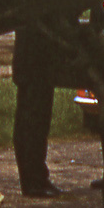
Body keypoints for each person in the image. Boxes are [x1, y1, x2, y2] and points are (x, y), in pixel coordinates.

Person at [11, 23, 64, 197]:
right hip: (36, 62)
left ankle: (33, 178)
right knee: (35, 119)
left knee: (30, 117)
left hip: (30, 62)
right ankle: (34, 179)